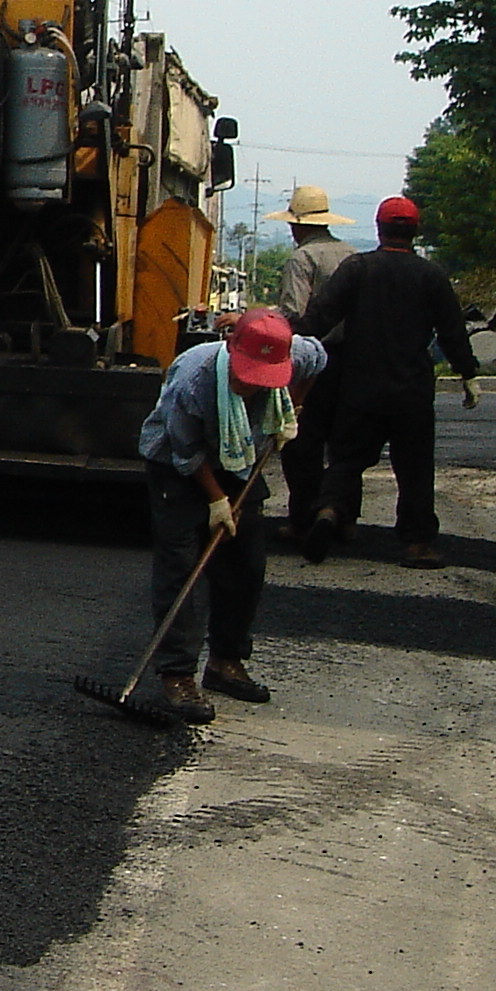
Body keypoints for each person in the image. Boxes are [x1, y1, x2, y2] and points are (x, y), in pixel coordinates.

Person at [138, 307, 330, 722]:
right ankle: (177, 674)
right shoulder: (193, 377)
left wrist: (294, 406)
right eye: (247, 375)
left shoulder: (296, 352)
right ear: (231, 348)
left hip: (240, 457)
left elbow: (319, 358)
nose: (253, 384)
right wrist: (216, 501)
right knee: (182, 570)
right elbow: (186, 451)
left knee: (246, 565)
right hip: (176, 466)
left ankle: (226, 662)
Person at [296, 196, 481, 569]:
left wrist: (286, 343)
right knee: (414, 468)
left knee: (347, 459)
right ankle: (417, 543)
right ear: (415, 232)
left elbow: (320, 318)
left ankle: (329, 509)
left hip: (359, 385)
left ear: (379, 229)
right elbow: (452, 331)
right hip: (411, 389)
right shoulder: (431, 275)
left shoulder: (357, 268)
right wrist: (468, 373)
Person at [264, 184, 358, 545]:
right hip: (351, 358)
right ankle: (343, 516)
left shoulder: (302, 259)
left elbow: (294, 312)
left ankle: (303, 518)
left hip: (312, 356)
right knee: (344, 444)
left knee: (302, 442)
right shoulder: (351, 255)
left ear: (296, 226)